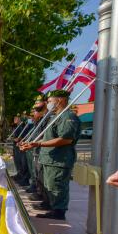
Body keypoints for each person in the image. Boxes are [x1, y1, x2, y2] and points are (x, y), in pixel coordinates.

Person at [23, 89, 81, 220]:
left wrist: (38, 145)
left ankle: (59, 212)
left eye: (49, 101)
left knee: (57, 187)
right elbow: (48, 138)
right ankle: (51, 206)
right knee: (49, 185)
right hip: (50, 159)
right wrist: (33, 143)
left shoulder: (68, 117)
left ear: (60, 100)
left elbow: (66, 139)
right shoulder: (56, 117)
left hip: (59, 160)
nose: (47, 104)